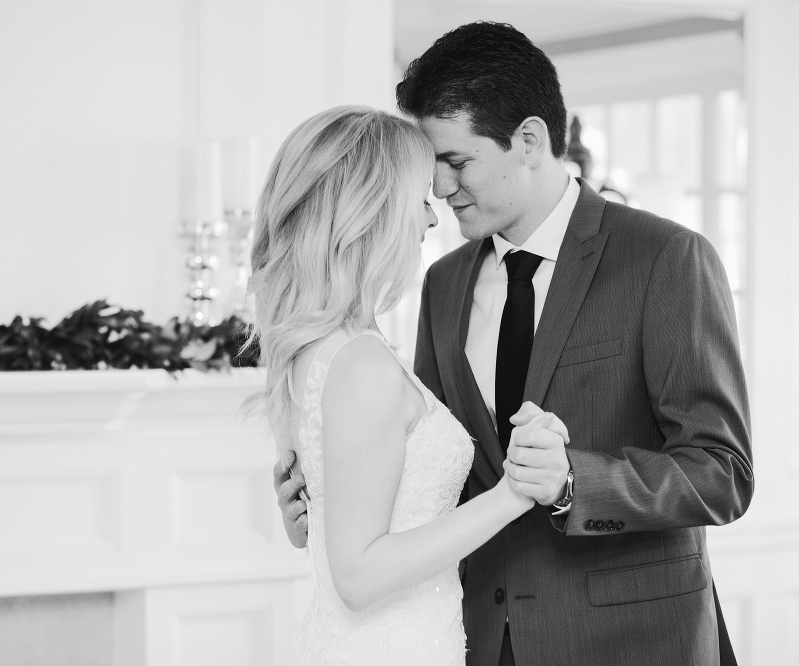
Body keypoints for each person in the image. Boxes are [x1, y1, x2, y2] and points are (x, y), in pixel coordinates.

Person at [275, 22, 753, 666]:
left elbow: (722, 473)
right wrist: (329, 510)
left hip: (629, 642)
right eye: (431, 167)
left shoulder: (666, 258)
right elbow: (438, 466)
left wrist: (572, 482)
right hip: (473, 635)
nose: (439, 191)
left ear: (528, 140)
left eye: (456, 161)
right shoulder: (443, 283)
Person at [252, 105, 563, 665]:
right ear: (371, 211)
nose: (431, 219)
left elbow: (335, 532)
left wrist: (306, 523)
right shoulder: (359, 361)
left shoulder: (310, 347)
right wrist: (513, 494)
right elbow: (359, 575)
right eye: (419, 199)